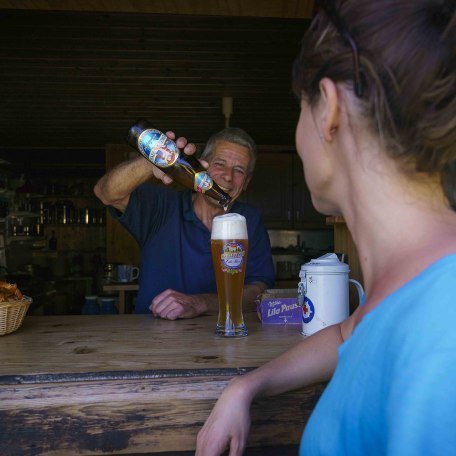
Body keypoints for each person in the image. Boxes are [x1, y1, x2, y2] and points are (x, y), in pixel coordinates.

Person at [196, 0, 456, 454]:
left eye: (300, 108)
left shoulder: (441, 341)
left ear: (329, 110)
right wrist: (246, 387)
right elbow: (345, 334)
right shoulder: (416, 288)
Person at [94, 127, 275, 317]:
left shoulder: (249, 219)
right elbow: (105, 193)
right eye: (219, 163)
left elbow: (259, 290)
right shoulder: (162, 206)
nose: (228, 176)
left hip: (225, 338)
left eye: (239, 170)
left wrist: (201, 303)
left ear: (246, 182)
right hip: (153, 339)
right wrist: (153, 162)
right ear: (201, 166)